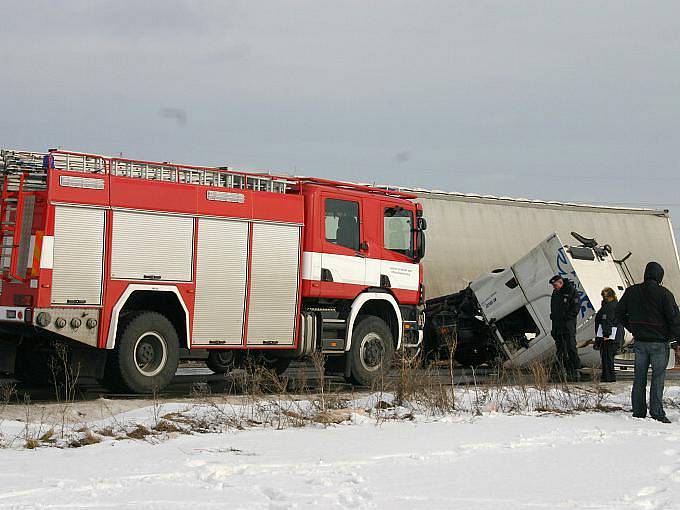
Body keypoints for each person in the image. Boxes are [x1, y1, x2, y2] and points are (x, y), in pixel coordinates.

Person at [616, 261, 680, 423]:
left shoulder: (631, 292)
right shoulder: (665, 294)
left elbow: (618, 313)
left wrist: (632, 328)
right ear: (660, 276)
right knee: (658, 378)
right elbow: (674, 319)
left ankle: (638, 411)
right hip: (659, 343)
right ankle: (657, 413)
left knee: (639, 378)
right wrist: (677, 340)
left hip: (640, 342)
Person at [549, 274, 581, 381]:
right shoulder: (555, 293)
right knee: (561, 350)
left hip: (568, 326)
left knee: (571, 348)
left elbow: (575, 309)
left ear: (560, 282)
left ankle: (576, 370)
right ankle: (560, 371)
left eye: (555, 285)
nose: (554, 287)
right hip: (557, 327)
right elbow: (554, 309)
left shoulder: (571, 292)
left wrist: (566, 318)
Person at [594, 287, 623, 382]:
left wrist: (606, 334)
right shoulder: (616, 305)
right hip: (615, 335)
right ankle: (608, 377)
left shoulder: (608, 307)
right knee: (608, 358)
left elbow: (607, 321)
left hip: (609, 337)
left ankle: (608, 377)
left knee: (607, 358)